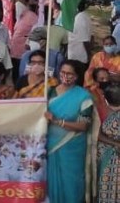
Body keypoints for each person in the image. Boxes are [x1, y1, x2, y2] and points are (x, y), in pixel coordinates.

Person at [44, 60, 93, 203]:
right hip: (51, 144)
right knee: (52, 181)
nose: (65, 76)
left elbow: (84, 126)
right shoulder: (50, 91)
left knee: (72, 182)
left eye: (69, 73)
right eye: (63, 72)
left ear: (77, 76)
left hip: (73, 146)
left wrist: (58, 121)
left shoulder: (84, 96)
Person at [96, 83, 120, 203]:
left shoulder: (104, 113)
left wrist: (115, 143)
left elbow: (98, 135)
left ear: (105, 99)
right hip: (110, 157)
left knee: (107, 190)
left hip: (108, 159)